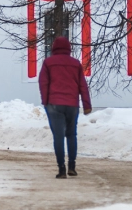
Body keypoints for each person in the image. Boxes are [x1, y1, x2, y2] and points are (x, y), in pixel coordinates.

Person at [38, 35, 92, 178]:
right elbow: (82, 85)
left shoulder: (48, 63)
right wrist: (86, 104)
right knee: (71, 135)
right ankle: (72, 166)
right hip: (72, 105)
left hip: (54, 104)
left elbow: (43, 83)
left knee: (58, 137)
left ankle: (61, 169)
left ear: (54, 48)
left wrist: (46, 101)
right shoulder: (75, 64)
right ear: (69, 48)